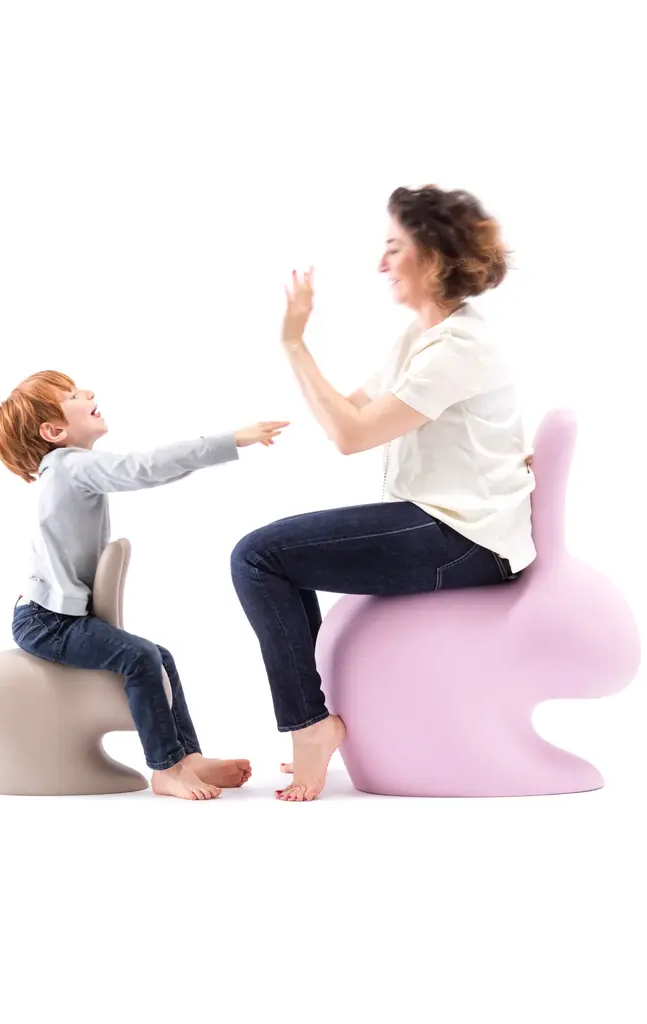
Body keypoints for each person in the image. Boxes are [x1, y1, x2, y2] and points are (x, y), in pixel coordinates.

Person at [231, 186, 535, 802]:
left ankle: (310, 727)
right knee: (271, 556)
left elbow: (350, 434)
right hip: (445, 524)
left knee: (258, 557)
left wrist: (294, 343)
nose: (380, 263)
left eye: (394, 247)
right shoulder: (418, 340)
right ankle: (311, 723)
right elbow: (348, 411)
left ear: (433, 256)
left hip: (468, 539)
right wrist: (301, 365)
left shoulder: (460, 349)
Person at [0, 370, 289, 800]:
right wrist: (232, 440)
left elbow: (149, 472)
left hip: (54, 618)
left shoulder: (70, 470)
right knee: (141, 657)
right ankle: (165, 768)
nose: (88, 392)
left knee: (159, 657)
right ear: (54, 431)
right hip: (46, 622)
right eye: (72, 395)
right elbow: (144, 468)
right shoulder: (70, 467)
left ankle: (188, 758)